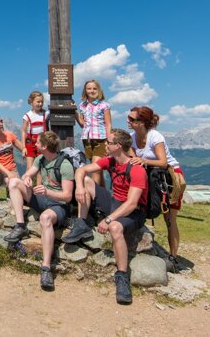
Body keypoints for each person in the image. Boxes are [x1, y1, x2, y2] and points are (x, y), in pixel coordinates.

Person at [62, 128, 147, 305]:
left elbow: (132, 204)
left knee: (115, 228)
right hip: (114, 202)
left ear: (118, 146)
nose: (105, 145)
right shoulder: (110, 161)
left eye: (108, 142)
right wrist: (79, 187)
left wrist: (109, 219)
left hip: (134, 211)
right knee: (86, 181)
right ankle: (82, 224)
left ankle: (122, 276)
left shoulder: (137, 170)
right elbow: (81, 170)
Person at [1, 131, 73, 291]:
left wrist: (48, 192)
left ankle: (46, 267)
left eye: (38, 142)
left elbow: (68, 197)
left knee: (45, 219)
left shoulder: (65, 165)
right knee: (13, 182)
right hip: (42, 198)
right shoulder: (40, 159)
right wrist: (27, 177)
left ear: (45, 146)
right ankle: (20, 225)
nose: (35, 144)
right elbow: (29, 173)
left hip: (58, 205)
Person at [128, 105, 184, 272]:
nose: (128, 121)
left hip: (169, 178)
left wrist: (144, 161)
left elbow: (163, 162)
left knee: (170, 218)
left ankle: (173, 257)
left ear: (142, 122)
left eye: (132, 119)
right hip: (150, 177)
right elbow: (133, 159)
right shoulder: (132, 137)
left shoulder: (155, 136)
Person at [75, 79, 111, 186]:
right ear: (85, 91)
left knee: (95, 169)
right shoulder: (82, 106)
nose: (92, 91)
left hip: (101, 139)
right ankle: (103, 194)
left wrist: (109, 141)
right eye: (89, 88)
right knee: (97, 170)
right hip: (87, 140)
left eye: (94, 88)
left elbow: (108, 124)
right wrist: (75, 112)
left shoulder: (104, 105)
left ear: (99, 90)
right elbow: (82, 124)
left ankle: (94, 194)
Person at [21, 91, 47, 185]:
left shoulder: (45, 114)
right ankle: (26, 187)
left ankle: (39, 187)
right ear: (31, 102)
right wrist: (23, 147)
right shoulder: (27, 116)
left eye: (42, 102)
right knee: (29, 167)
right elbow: (23, 131)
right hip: (30, 142)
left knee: (41, 166)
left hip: (42, 142)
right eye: (38, 102)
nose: (40, 104)